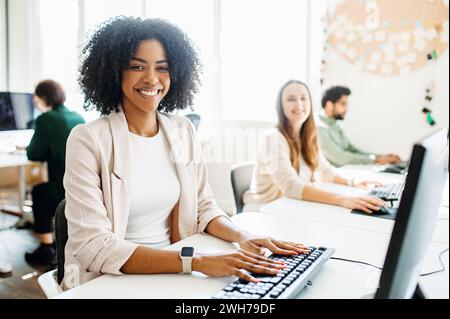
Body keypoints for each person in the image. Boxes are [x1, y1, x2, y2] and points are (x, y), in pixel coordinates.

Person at [62, 17, 307, 290]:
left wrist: (243, 236)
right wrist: (196, 262)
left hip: (173, 270)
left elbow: (203, 207)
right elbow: (94, 247)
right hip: (112, 280)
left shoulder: (182, 129)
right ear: (114, 71)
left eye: (162, 68)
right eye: (137, 66)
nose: (152, 78)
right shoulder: (88, 140)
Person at [243, 80, 385, 214]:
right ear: (280, 106)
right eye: (291, 99)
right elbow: (291, 186)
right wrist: (343, 199)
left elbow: (325, 171)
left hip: (291, 206)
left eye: (304, 98)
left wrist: (352, 182)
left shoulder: (309, 136)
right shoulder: (272, 138)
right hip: (263, 210)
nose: (299, 105)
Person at [21, 79, 85, 267]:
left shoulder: (45, 119)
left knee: (38, 191)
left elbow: (33, 153)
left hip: (58, 187)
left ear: (44, 97)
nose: (33, 100)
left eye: (36, 96)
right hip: (78, 185)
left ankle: (46, 248)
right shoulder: (77, 117)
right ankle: (59, 247)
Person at [317, 86, 402, 167]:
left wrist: (381, 157)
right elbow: (341, 158)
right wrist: (376, 160)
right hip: (332, 179)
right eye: (343, 104)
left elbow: (353, 150)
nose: (346, 109)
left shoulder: (334, 126)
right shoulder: (320, 128)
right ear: (329, 104)